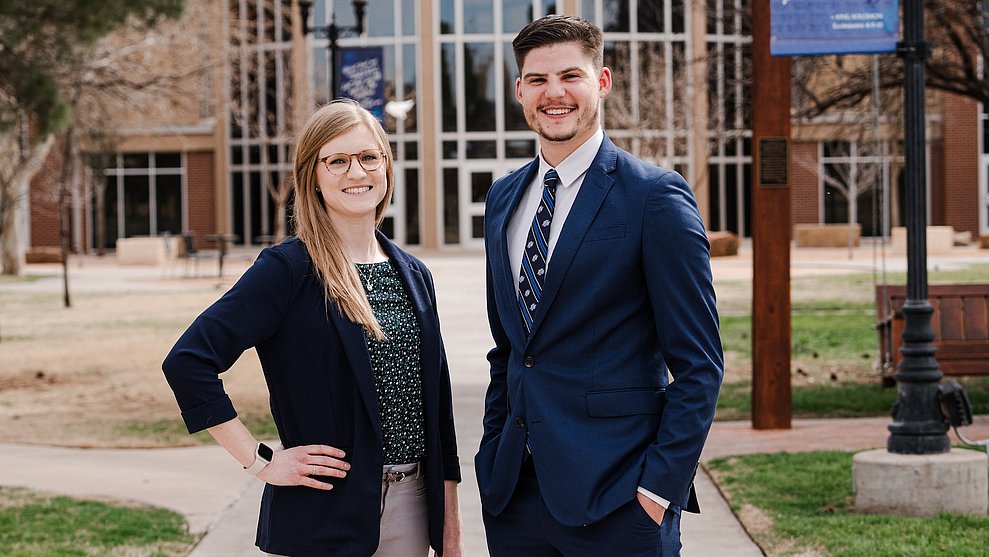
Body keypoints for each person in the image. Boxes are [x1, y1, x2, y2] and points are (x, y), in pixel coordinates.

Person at [162, 100, 463, 557]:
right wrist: (261, 461)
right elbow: (188, 362)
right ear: (314, 176)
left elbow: (438, 411)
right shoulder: (288, 269)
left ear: (386, 167)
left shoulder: (413, 274)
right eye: (336, 161)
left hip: (414, 508)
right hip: (326, 513)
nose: (355, 172)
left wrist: (450, 532)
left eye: (368, 157)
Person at [475, 15, 724, 557]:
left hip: (619, 500)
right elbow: (511, 351)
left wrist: (658, 489)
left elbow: (700, 365)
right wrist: (492, 452)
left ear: (602, 81)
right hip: (515, 497)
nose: (554, 93)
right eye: (537, 80)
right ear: (520, 90)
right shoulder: (502, 200)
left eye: (571, 76)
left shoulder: (655, 199)